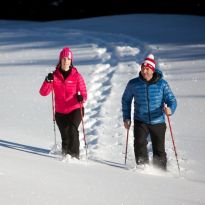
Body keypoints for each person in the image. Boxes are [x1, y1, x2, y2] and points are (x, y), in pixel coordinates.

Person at [121, 54, 177, 170]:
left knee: (159, 149)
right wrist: (127, 118)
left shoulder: (162, 84)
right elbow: (126, 100)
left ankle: (161, 172)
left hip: (158, 121)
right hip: (140, 120)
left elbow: (171, 99)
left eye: (147, 69)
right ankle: (143, 168)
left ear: (152, 69)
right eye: (143, 69)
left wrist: (170, 109)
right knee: (139, 144)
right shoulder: (133, 84)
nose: (144, 71)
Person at [39, 47, 87, 159]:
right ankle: (65, 156)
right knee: (65, 135)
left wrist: (81, 97)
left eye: (68, 59)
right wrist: (47, 81)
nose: (66, 61)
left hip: (75, 108)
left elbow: (84, 94)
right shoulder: (54, 76)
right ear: (60, 60)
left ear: (71, 61)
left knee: (72, 129)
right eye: (64, 59)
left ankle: (74, 156)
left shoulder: (77, 76)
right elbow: (43, 92)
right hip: (60, 111)